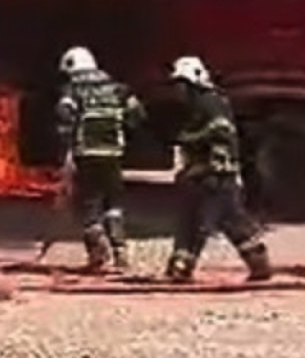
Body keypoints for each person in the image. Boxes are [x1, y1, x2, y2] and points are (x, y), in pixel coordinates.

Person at [164, 56, 272, 283]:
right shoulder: (200, 105)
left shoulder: (209, 103)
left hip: (215, 174)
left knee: (206, 220)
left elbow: (221, 133)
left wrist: (190, 141)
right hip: (210, 174)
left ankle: (182, 267)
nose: (178, 91)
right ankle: (257, 263)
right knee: (221, 221)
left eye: (182, 85)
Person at [56, 46, 146, 272]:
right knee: (113, 204)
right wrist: (121, 130)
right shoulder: (119, 89)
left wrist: (67, 144)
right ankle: (121, 253)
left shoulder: (73, 89)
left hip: (86, 154)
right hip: (113, 154)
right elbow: (138, 115)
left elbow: (65, 115)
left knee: (88, 204)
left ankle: (98, 255)